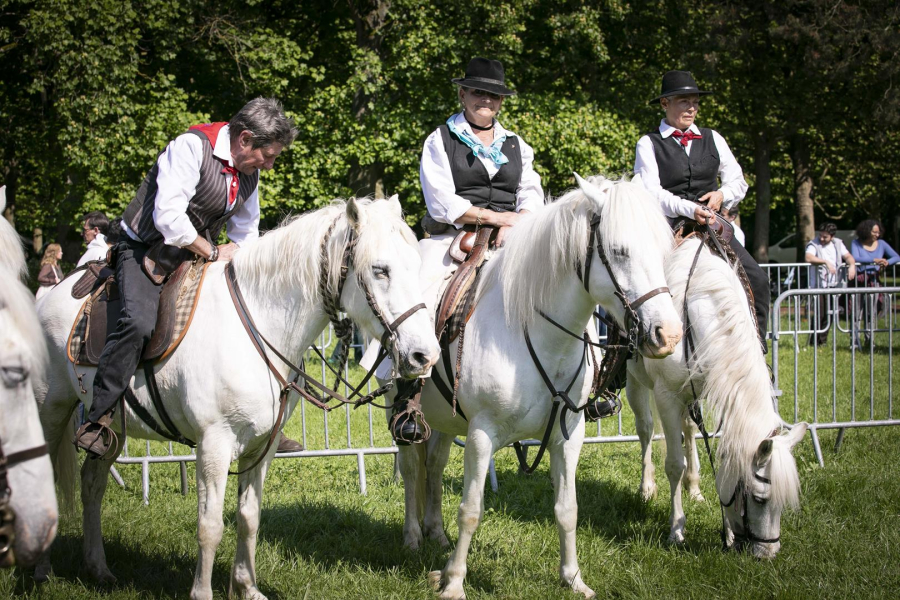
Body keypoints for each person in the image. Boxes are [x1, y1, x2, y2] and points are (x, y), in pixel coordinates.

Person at [75, 97, 302, 457]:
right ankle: (98, 418)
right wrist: (213, 252)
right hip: (143, 250)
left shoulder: (250, 174)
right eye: (269, 155)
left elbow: (247, 233)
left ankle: (263, 425)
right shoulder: (189, 147)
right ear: (245, 140)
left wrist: (234, 255)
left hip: (197, 254)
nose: (271, 165)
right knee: (137, 321)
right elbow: (168, 219)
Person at [384, 57, 544, 444]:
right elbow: (441, 202)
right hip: (450, 240)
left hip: (512, 240)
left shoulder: (517, 145)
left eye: (493, 94)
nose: (485, 99)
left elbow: (532, 194)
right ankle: (408, 396)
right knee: (417, 297)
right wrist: (496, 219)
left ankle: (582, 384)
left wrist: (517, 222)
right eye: (477, 92)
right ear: (462, 94)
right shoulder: (440, 139)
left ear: (501, 101)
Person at [633, 70, 770, 349]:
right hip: (667, 228)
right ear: (665, 104)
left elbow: (738, 181)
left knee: (758, 280)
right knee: (639, 289)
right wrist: (688, 208)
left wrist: (722, 194)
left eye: (695, 101)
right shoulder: (648, 143)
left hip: (712, 227)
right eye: (684, 101)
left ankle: (757, 351)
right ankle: (622, 365)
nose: (692, 108)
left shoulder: (713, 138)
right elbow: (651, 192)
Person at [804, 223, 856, 346]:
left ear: (832, 236)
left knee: (830, 314)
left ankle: (823, 341)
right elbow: (808, 257)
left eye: (825, 237)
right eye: (820, 235)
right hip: (818, 285)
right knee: (819, 314)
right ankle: (814, 341)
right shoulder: (814, 244)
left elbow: (848, 256)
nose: (821, 239)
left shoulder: (837, 243)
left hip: (834, 285)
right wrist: (825, 262)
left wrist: (852, 265)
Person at [850, 219, 899, 347]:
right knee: (856, 311)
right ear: (867, 231)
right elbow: (855, 258)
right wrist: (874, 260)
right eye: (874, 232)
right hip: (859, 280)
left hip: (874, 280)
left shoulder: (882, 244)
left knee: (871, 311)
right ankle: (855, 340)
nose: (877, 235)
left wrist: (887, 262)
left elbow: (896, 256)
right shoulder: (856, 243)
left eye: (878, 232)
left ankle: (869, 340)